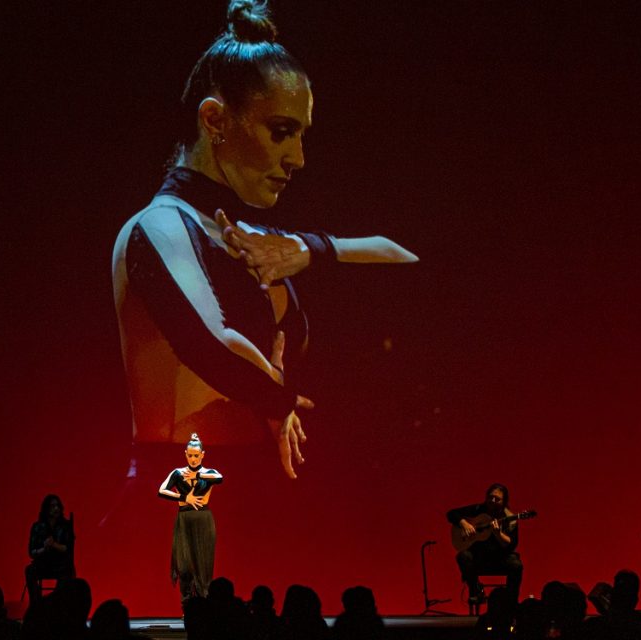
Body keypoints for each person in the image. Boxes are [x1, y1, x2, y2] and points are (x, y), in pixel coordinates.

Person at [111, 0, 418, 482]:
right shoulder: (158, 228)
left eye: (301, 136)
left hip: (265, 492)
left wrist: (316, 248)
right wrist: (278, 396)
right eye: (281, 133)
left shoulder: (262, 239)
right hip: (181, 494)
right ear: (214, 121)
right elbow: (210, 346)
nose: (298, 158)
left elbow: (405, 259)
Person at [158, 432, 223, 601]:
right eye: (190, 455)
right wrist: (183, 497)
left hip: (203, 520)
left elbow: (219, 478)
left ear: (202, 455)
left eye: (196, 456)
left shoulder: (209, 473)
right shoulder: (178, 473)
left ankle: (204, 601)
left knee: (203, 563)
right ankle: (187, 603)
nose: (193, 459)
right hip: (184, 520)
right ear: (186, 454)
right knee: (184, 563)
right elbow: (162, 490)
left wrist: (198, 475)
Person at [447, 483, 523, 604]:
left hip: (499, 558)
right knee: (463, 556)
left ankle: (511, 601)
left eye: (497, 499)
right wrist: (464, 523)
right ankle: (476, 591)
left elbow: (511, 544)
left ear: (504, 502)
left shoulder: (510, 519)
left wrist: (498, 534)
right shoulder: (478, 510)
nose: (492, 501)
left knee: (516, 565)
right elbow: (451, 514)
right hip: (478, 557)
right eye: (490, 497)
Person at [26, 494, 76, 606]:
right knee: (29, 571)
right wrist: (44, 549)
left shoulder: (65, 526)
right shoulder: (37, 527)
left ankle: (56, 604)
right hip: (43, 564)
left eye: (58, 506)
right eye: (53, 506)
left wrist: (54, 545)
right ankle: (36, 605)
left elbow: (68, 548)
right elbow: (31, 552)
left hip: (60, 565)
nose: (56, 508)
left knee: (68, 571)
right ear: (46, 509)